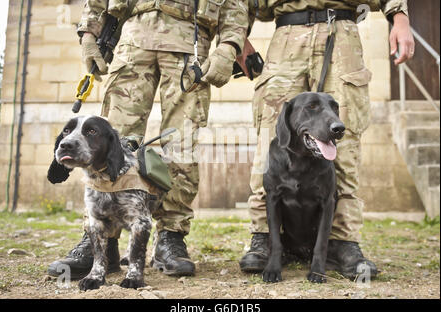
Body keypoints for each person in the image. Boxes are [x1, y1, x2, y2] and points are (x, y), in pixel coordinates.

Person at [48, 0, 249, 279]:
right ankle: (102, 241)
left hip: (190, 44)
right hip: (133, 41)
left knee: (182, 145)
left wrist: (229, 45)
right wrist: (89, 34)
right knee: (109, 144)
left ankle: (171, 238)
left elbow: (235, 4)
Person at [240, 0, 414, 279]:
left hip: (342, 33)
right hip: (286, 35)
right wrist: (240, 38)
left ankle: (342, 242)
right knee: (272, 140)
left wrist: (400, 17)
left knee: (344, 141)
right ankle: (264, 238)